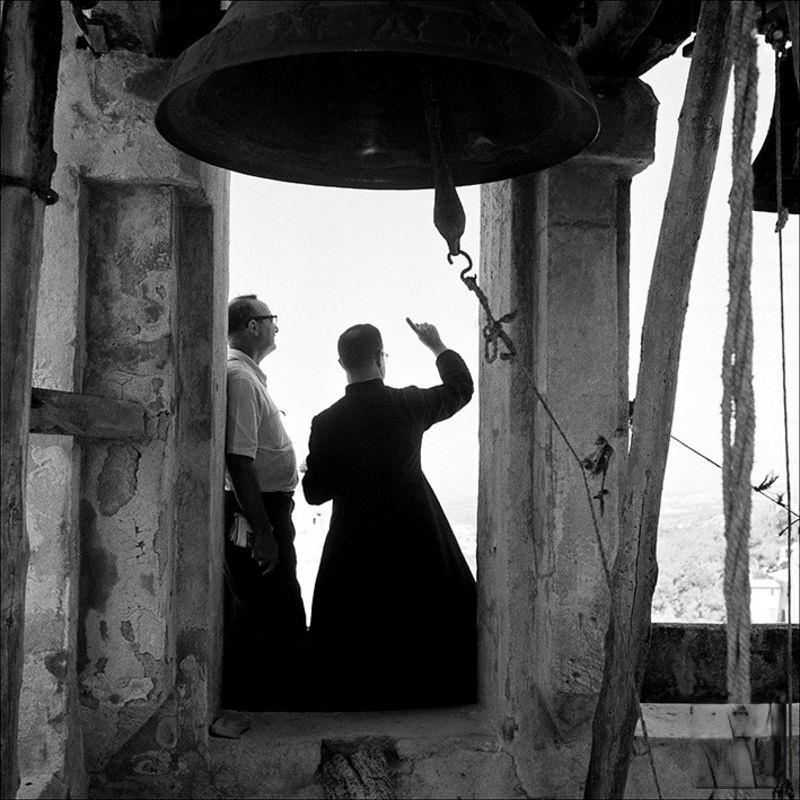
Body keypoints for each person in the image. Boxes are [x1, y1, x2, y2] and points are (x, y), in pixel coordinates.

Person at [302, 318, 476, 709]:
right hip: (415, 531)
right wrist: (437, 346)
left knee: (355, 622)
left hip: (354, 537)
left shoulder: (326, 422)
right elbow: (461, 388)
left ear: (340, 363)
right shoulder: (409, 403)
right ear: (381, 358)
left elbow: (314, 493)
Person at [223, 294, 306, 710]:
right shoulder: (239, 378)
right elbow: (239, 461)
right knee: (276, 610)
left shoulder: (248, 377)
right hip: (260, 512)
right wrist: (264, 530)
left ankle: (272, 700)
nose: (277, 327)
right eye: (272, 319)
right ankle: (276, 705)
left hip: (267, 509)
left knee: (270, 607)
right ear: (253, 326)